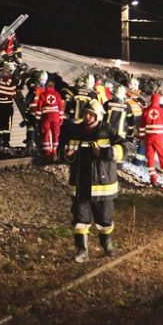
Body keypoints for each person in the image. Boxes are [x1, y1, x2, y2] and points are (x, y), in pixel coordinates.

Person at [64, 102, 125, 262]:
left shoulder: (107, 130)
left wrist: (105, 152)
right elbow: (64, 153)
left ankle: (107, 246)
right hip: (80, 183)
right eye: (85, 113)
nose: (87, 117)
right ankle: (82, 251)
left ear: (98, 115)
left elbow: (126, 147)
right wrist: (67, 153)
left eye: (91, 114)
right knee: (80, 219)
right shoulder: (75, 131)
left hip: (103, 185)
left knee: (104, 219)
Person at [141, 93, 163, 187]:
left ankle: (153, 179)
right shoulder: (162, 111)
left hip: (148, 138)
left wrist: (142, 138)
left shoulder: (146, 111)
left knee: (150, 158)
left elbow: (141, 127)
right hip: (159, 138)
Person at [0, 62, 17, 146]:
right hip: (7, 106)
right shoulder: (13, 82)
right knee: (6, 125)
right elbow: (13, 94)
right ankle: (6, 142)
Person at [38, 81, 64, 160]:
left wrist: (38, 117)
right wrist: (61, 118)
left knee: (46, 133)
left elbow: (39, 106)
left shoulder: (43, 95)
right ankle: (54, 152)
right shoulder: (57, 94)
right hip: (56, 117)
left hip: (46, 117)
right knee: (55, 134)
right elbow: (61, 107)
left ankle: (47, 152)